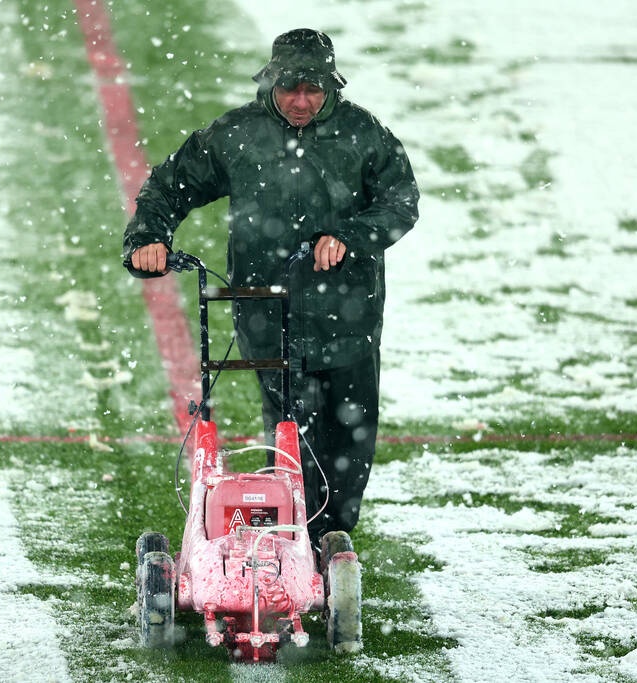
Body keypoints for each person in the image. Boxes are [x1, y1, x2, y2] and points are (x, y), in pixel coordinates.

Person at [123, 28, 419, 549]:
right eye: (290, 90)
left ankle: (331, 542)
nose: (301, 102)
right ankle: (289, 546)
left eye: (313, 90)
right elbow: (168, 186)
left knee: (350, 439)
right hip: (267, 315)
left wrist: (348, 236)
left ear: (331, 87)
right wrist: (149, 237)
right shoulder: (238, 134)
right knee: (291, 436)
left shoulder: (363, 134)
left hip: (350, 319)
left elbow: (401, 203)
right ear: (272, 83)